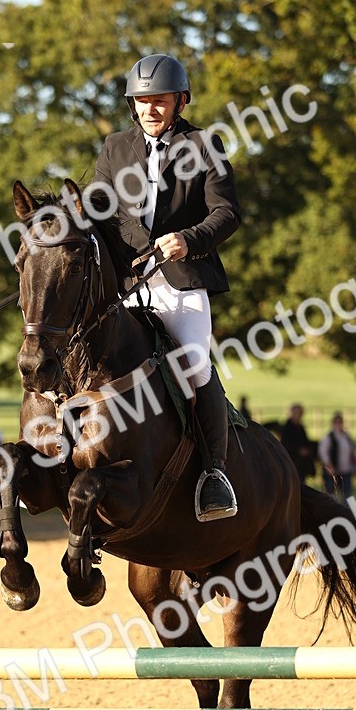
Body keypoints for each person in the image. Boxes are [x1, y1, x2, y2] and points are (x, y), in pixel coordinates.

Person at [93, 53, 242, 521]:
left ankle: (214, 473)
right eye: (141, 102)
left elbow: (227, 213)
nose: (149, 110)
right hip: (126, 282)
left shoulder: (204, 145)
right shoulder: (115, 148)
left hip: (181, 280)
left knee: (195, 366)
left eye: (159, 101)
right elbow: (100, 207)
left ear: (180, 101)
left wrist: (188, 240)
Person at [318, 412, 356, 500]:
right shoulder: (329, 437)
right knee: (331, 495)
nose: (339, 425)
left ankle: (346, 512)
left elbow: (351, 451)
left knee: (347, 495)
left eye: (340, 422)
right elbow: (323, 452)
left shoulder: (346, 436)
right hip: (333, 470)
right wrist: (329, 466)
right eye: (337, 422)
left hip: (346, 469)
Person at [280, 403, 316, 483]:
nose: (299, 416)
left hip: (301, 464)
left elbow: (305, 441)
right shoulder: (286, 428)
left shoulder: (301, 428)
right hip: (291, 462)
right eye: (297, 413)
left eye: (300, 414)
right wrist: (299, 450)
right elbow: (285, 444)